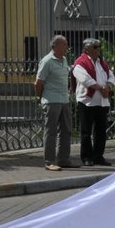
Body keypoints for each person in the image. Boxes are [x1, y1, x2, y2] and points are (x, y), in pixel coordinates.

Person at [34, 34, 74, 171]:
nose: (66, 48)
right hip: (51, 101)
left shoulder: (64, 59)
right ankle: (49, 161)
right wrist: (42, 98)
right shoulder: (47, 61)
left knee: (66, 130)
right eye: (64, 45)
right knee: (51, 132)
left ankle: (63, 159)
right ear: (56, 46)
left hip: (64, 100)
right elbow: (38, 83)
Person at [72, 37, 114, 166]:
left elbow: (111, 76)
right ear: (87, 49)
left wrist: (108, 86)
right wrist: (100, 87)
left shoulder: (102, 63)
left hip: (102, 101)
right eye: (95, 47)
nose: (98, 49)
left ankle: (98, 156)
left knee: (101, 131)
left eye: (99, 46)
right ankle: (87, 157)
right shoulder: (80, 63)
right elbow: (85, 79)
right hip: (87, 101)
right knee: (86, 131)